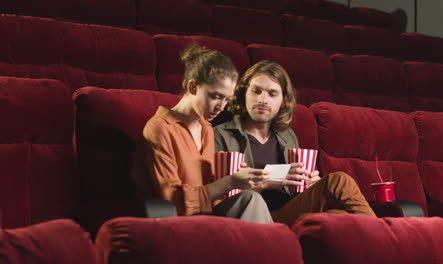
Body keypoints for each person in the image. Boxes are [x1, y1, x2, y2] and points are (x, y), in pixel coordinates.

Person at [214, 60, 377, 226]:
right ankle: (390, 237)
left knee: (338, 215)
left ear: (283, 101)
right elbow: (217, 196)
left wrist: (308, 184)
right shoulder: (220, 135)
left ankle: (386, 242)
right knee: (338, 181)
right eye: (256, 91)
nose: (263, 99)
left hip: (288, 211)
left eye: (272, 94)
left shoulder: (287, 136)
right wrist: (263, 183)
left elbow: (293, 189)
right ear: (244, 94)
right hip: (257, 215)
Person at [131, 45, 273, 223]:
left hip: (208, 216)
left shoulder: (206, 128)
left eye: (227, 99)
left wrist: (235, 178)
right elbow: (171, 200)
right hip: (175, 220)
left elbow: (211, 195)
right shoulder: (159, 129)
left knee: (251, 198)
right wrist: (229, 182)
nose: (221, 108)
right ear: (192, 87)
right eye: (215, 96)